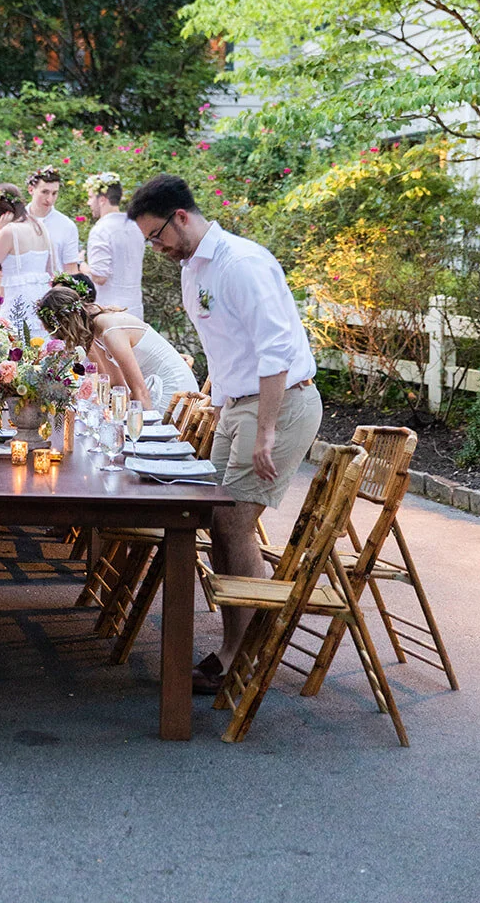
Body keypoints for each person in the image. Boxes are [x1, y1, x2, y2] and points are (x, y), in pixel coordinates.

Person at [127, 173, 323, 692]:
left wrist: (263, 432)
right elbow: (224, 346)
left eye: (156, 236)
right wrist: (212, 402)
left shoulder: (241, 263)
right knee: (213, 516)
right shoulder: (194, 268)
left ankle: (241, 654)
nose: (156, 248)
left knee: (233, 521)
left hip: (280, 405)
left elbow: (276, 349)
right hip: (237, 406)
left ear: (182, 217)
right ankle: (236, 646)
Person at [37, 285, 196, 410]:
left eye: (56, 332)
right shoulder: (95, 332)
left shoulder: (111, 332)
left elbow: (140, 393)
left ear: (65, 325)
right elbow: (116, 384)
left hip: (174, 393)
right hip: (153, 389)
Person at [0, 182, 53, 339]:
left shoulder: (9, 231)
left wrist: (0, 231)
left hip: (18, 304)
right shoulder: (40, 226)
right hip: (41, 302)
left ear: (2, 208)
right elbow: (50, 269)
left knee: (13, 351)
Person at [84, 172, 146, 319]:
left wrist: (81, 265)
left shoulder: (101, 230)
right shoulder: (135, 226)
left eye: (91, 197)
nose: (88, 203)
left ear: (102, 200)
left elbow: (100, 277)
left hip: (110, 311)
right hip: (135, 308)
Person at [26, 165, 80, 274]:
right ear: (31, 190)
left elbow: (71, 269)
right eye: (45, 192)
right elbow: (2, 269)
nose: (50, 199)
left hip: (55, 287)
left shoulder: (66, 225)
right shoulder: (17, 220)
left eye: (54, 193)